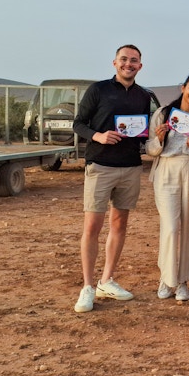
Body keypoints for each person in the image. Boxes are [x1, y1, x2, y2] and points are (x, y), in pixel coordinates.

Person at [71, 44, 155, 313]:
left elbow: (146, 129)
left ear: (140, 66)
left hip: (130, 167)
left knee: (119, 224)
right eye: (124, 59)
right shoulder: (98, 90)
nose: (128, 64)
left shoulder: (144, 96)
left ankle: (107, 279)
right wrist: (98, 136)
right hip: (100, 166)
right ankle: (87, 287)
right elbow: (78, 123)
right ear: (114, 63)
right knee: (92, 227)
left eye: (134, 60)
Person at [145, 73, 189, 303]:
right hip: (167, 171)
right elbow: (149, 148)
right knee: (171, 226)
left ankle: (183, 280)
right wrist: (160, 140)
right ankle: (167, 278)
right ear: (183, 88)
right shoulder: (163, 114)